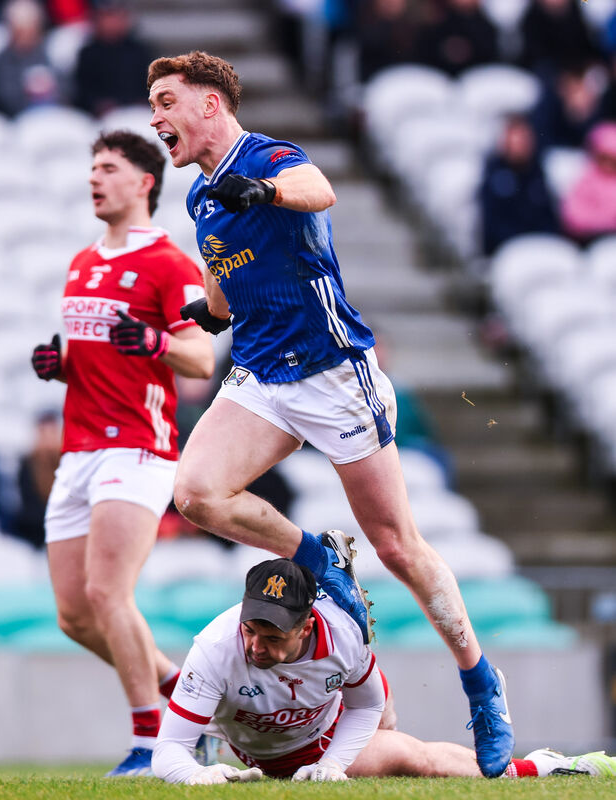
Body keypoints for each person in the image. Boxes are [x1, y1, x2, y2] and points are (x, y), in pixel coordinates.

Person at [147, 50, 513, 778]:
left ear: (210, 105)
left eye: (165, 101)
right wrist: (210, 314)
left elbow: (317, 190)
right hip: (260, 374)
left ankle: (482, 683)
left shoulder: (270, 158)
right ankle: (318, 560)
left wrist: (266, 192)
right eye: (152, 105)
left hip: (331, 372)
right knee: (194, 494)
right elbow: (223, 270)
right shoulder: (199, 197)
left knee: (401, 547)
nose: (156, 117)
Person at [30, 129, 215, 776]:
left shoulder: (170, 263)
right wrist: (59, 367)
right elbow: (93, 357)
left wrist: (158, 342)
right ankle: (183, 692)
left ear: (143, 183)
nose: (93, 179)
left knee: (110, 594)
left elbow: (201, 353)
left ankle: (151, 743)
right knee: (75, 615)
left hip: (137, 448)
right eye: (90, 169)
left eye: (107, 168)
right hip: (78, 450)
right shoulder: (82, 262)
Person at [152, 557, 616, 784]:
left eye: (273, 637)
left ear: (306, 624)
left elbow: (369, 704)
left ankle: (548, 768)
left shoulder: (342, 636)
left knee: (414, 758)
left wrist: (332, 763)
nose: (255, 645)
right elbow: (168, 751)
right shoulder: (215, 647)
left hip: (328, 730)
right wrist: (195, 776)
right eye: (250, 630)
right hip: (261, 749)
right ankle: (213, 746)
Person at [478, 114, 559, 256]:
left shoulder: (537, 172)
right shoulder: (494, 174)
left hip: (539, 244)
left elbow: (548, 216)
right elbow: (492, 223)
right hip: (507, 248)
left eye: (525, 138)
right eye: (516, 139)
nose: (521, 144)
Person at [72, 0, 153, 117]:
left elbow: (151, 84)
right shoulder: (88, 53)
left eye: (118, 17)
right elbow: (82, 92)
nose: (113, 22)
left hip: (137, 113)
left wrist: (143, 101)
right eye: (108, 17)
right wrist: (98, 105)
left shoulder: (140, 51)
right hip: (100, 117)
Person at [560, 121, 616, 244]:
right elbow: (573, 215)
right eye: (604, 157)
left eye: (613, 159)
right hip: (591, 241)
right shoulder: (586, 179)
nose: (608, 164)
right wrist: (606, 221)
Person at [13, 410, 62, 549]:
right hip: (37, 532)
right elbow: (28, 504)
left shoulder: (67, 461)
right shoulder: (27, 463)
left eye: (51, 433)